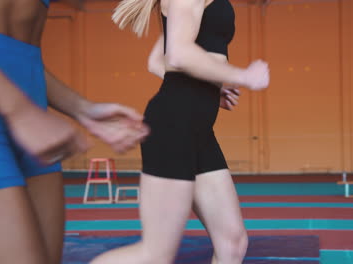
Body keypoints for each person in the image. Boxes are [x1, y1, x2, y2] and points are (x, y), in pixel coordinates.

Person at [91, 0, 270, 263]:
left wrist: (213, 83)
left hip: (197, 129)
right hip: (174, 124)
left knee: (232, 243)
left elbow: (156, 61)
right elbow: (179, 55)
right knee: (155, 254)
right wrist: (241, 75)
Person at [0, 0, 149, 263]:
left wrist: (82, 109)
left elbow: (17, 55)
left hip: (30, 114)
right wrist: (18, 110)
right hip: (3, 118)